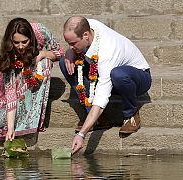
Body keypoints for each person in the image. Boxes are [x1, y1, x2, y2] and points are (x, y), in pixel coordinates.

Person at [59, 16, 151, 154]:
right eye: (68, 43)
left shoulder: (107, 52)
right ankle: (98, 119)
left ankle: (130, 114)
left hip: (138, 77)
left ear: (86, 36)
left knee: (118, 74)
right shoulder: (88, 25)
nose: (71, 47)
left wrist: (81, 134)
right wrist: (70, 52)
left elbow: (101, 98)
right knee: (64, 62)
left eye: (73, 44)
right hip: (108, 74)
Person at [0, 17, 64, 141]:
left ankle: (31, 119)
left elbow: (60, 52)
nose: (20, 47)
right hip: (16, 70)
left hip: (35, 63)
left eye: (24, 42)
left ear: (31, 38)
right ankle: (19, 121)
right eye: (16, 42)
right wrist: (11, 128)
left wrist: (43, 54)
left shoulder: (41, 31)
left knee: (45, 64)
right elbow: (11, 93)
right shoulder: (9, 55)